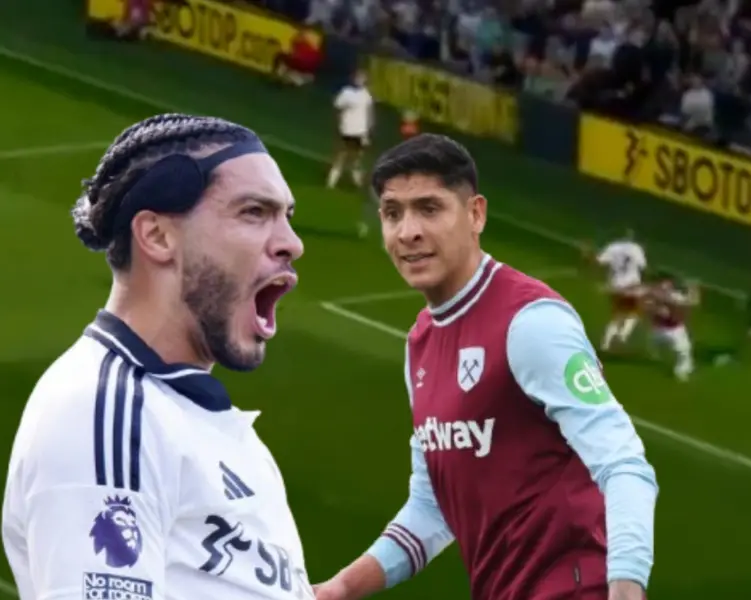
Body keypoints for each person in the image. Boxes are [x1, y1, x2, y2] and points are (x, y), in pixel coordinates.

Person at [313, 134, 658, 600]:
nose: (408, 231)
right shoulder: (421, 343)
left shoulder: (531, 323)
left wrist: (626, 589)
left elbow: (623, 465)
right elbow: (433, 506)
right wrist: (338, 590)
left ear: (476, 214)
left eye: (429, 209)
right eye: (393, 213)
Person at [2, 114, 312, 600]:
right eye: (254, 212)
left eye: (287, 216)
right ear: (158, 236)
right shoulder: (106, 415)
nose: (291, 243)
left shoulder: (211, 429)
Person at [593, 229, 648, 352]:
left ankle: (605, 344)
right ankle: (623, 334)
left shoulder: (613, 247)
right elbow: (642, 266)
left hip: (615, 285)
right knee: (635, 313)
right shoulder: (636, 248)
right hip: (632, 285)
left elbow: (599, 261)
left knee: (617, 316)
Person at [643, 275, 700, 381]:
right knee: (683, 351)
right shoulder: (668, 296)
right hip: (672, 330)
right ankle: (680, 371)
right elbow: (692, 301)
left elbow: (691, 302)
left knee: (657, 348)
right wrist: (693, 288)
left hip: (657, 331)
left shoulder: (652, 295)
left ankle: (683, 366)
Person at [328, 69, 375, 194]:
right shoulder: (346, 93)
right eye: (358, 77)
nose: (360, 80)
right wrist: (339, 125)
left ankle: (357, 183)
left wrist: (368, 131)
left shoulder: (366, 95)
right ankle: (331, 182)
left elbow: (369, 114)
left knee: (357, 158)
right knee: (341, 155)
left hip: (361, 132)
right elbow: (337, 108)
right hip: (347, 129)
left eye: (362, 77)